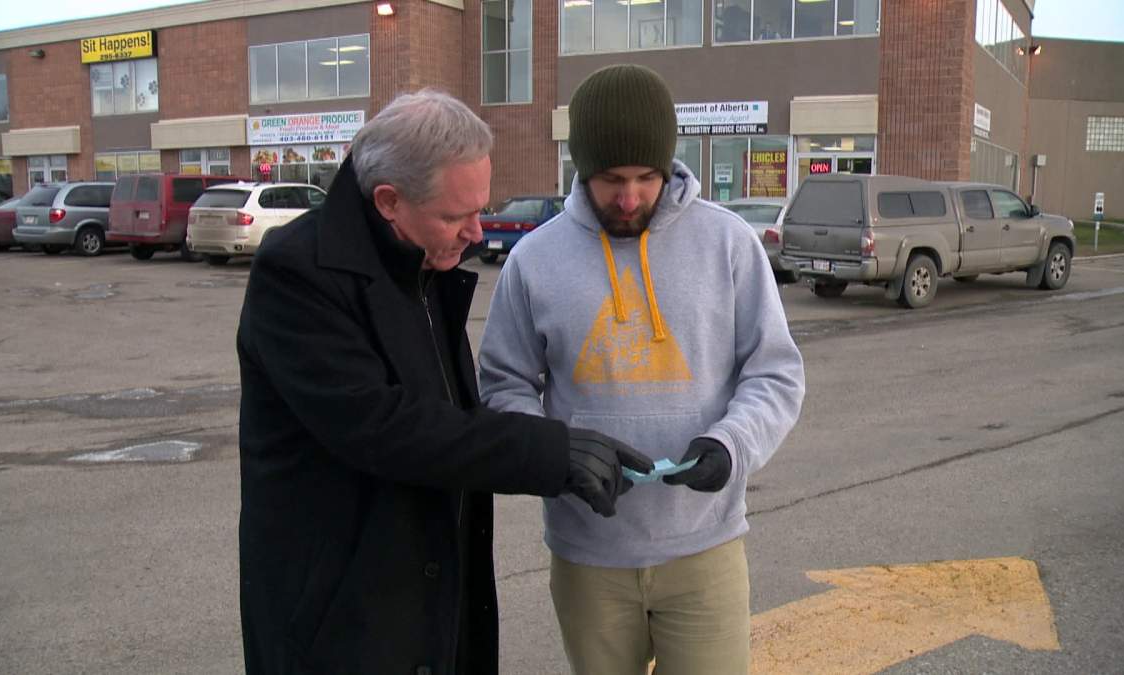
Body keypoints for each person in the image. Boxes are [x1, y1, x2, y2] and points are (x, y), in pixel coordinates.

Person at [236, 89, 652, 674]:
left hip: (432, 597)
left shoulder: (421, 263)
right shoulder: (300, 273)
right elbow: (383, 426)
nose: (476, 234)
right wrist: (549, 452)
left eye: (479, 210)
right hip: (340, 616)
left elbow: (452, 415)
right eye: (456, 217)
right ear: (388, 201)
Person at [478, 64, 806, 674]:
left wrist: (733, 445)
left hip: (704, 549)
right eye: (610, 180)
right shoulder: (534, 260)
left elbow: (775, 372)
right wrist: (558, 451)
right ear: (581, 168)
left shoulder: (728, 244)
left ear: (667, 165)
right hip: (589, 557)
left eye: (646, 177)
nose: (629, 198)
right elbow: (503, 385)